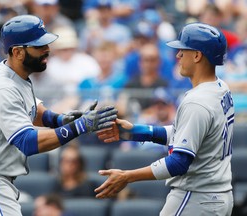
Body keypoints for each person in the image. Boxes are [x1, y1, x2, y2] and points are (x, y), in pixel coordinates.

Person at [0, 14, 117, 216]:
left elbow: (33, 111)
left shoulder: (15, 73)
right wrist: (79, 127)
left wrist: (59, 120)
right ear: (17, 52)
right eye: (38, 46)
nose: (47, 50)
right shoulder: (3, 88)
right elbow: (28, 141)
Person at [95, 22, 235, 216]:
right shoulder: (221, 88)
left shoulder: (197, 101)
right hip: (217, 196)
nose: (177, 56)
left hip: (196, 197)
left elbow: (179, 162)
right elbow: (188, 133)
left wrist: (128, 176)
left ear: (197, 55)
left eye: (182, 50)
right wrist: (135, 131)